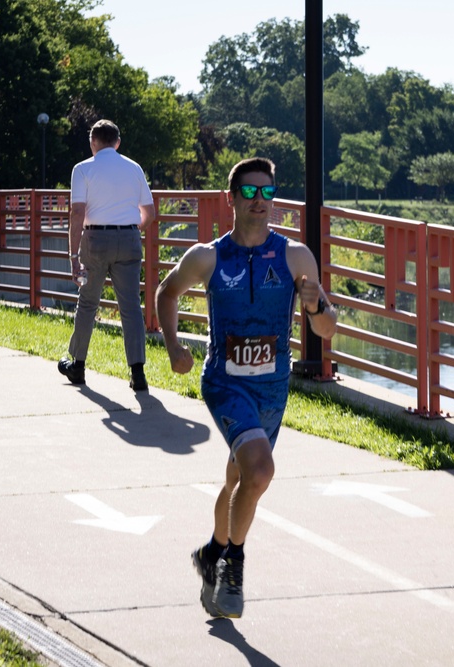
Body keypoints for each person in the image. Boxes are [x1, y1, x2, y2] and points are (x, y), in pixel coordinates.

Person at [156, 157, 337, 619]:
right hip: (225, 383)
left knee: (241, 480)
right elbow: (166, 292)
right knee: (258, 472)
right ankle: (233, 567)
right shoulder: (208, 256)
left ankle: (210, 555)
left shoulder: (295, 256)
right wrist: (175, 347)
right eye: (251, 193)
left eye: (268, 193)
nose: (261, 202)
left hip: (273, 388)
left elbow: (328, 328)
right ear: (231, 198)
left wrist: (316, 308)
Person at [58, 119, 155, 392]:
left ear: (93, 143)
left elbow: (77, 212)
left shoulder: (83, 169)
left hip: (95, 240)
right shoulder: (133, 167)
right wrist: (132, 229)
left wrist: (73, 256)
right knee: (131, 308)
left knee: (88, 303)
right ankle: (138, 372)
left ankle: (77, 365)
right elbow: (150, 214)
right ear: (118, 143)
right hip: (129, 240)